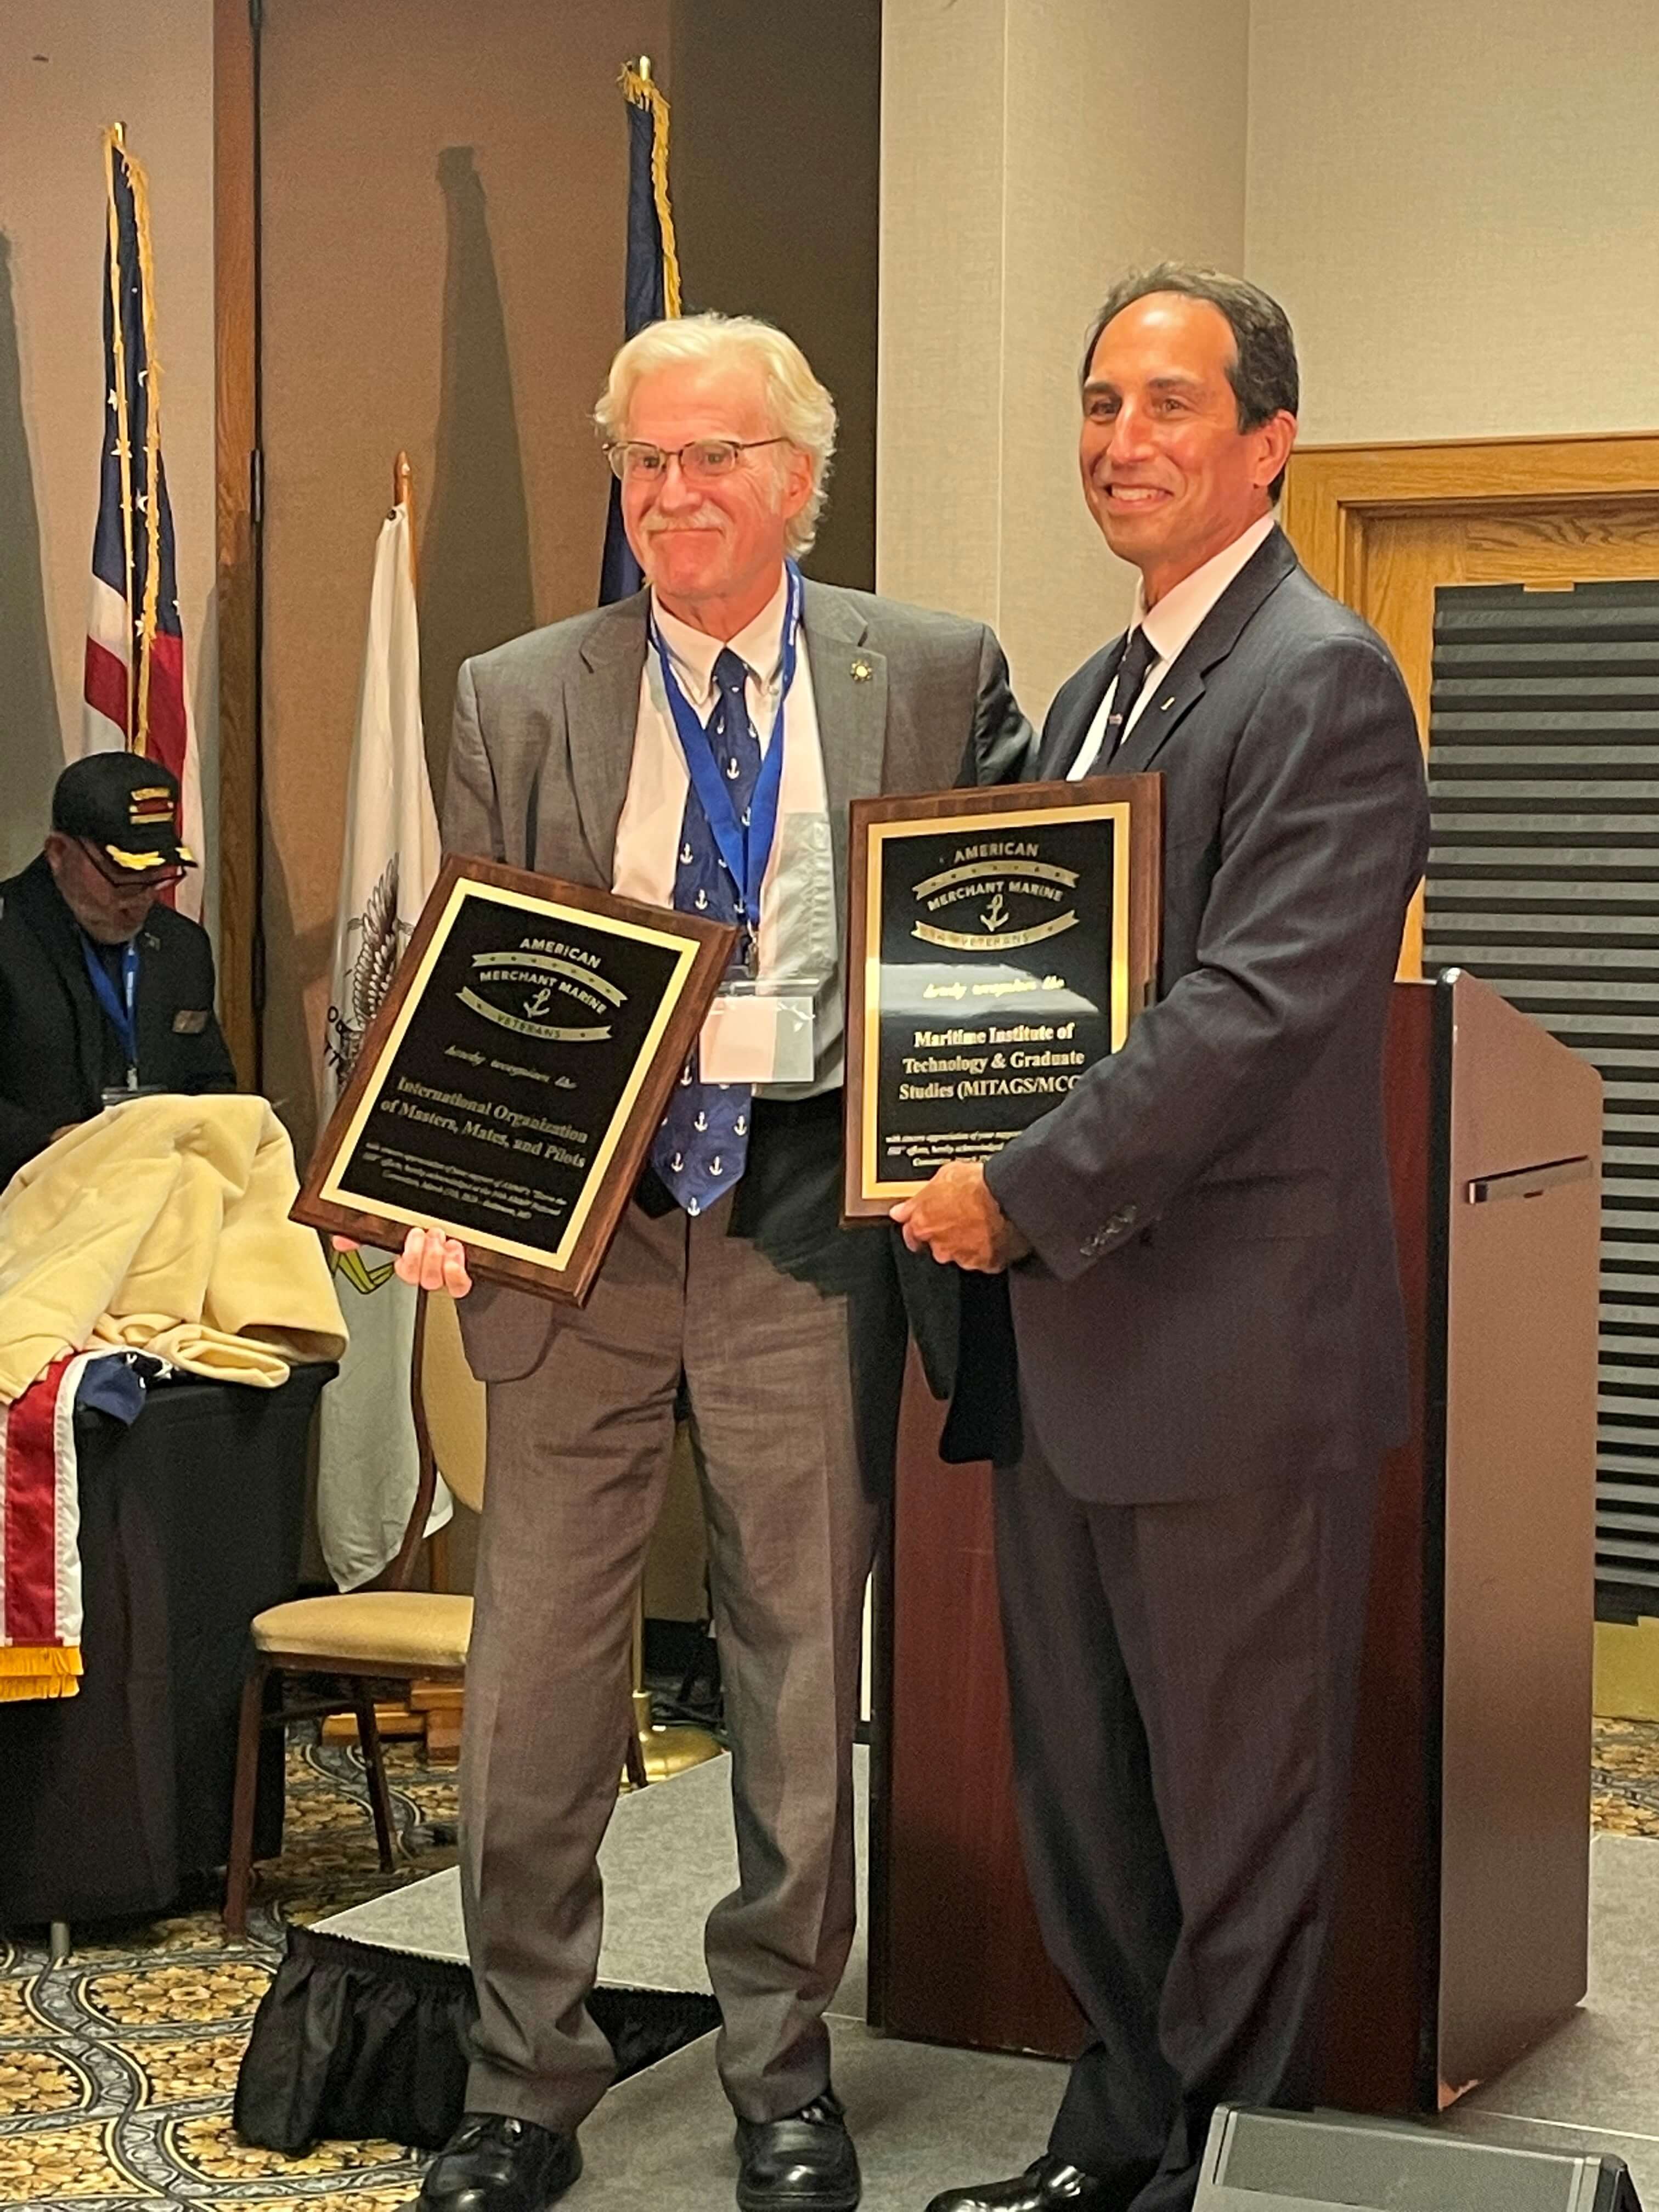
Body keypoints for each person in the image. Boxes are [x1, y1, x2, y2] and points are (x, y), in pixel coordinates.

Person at [402, 313, 1032, 2212]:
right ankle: (521, 2080)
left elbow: (1012, 959)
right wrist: (434, 1165)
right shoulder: (518, 694)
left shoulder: (934, 673)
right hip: (578, 1241)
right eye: (645, 461)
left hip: (803, 1220)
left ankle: (780, 2073)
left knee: (793, 1671)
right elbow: (455, 968)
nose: (674, 494)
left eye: (714, 457)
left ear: (799, 477)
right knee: (534, 1684)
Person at [896, 266, 1431, 2212]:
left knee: (1236, 1814)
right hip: (1069, 1348)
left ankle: (1214, 2174)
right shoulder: (1095, 691)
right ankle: (1115, 2146)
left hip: (1224, 1358)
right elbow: (1039, 988)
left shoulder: (1319, 679)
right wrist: (929, 1123)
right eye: (1099, 403)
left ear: (1271, 441)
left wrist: (1017, 1186)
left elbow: (1252, 1012)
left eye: (1170, 405)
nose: (1120, 443)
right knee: (1092, 1797)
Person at [0, 753, 235, 1186]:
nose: (141, 899)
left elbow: (211, 1080)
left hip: (162, 1189)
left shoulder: (181, 945)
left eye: (157, 875)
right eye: (124, 875)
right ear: (59, 853)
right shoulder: (9, 934)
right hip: (29, 1193)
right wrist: (47, 1143)